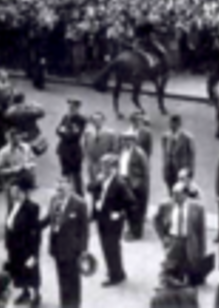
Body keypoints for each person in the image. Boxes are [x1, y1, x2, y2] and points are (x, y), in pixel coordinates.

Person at [40, 176, 89, 308]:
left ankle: (74, 304)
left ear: (70, 186)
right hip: (57, 247)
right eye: (58, 183)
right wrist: (35, 226)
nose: (59, 187)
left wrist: (83, 249)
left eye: (63, 183)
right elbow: (49, 218)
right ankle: (64, 303)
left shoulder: (79, 204)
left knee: (73, 280)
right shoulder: (54, 200)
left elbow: (84, 229)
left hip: (72, 249)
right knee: (62, 279)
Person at [90, 154, 136, 286]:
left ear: (114, 168)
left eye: (107, 166)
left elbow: (131, 201)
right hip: (101, 216)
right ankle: (115, 270)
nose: (103, 169)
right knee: (105, 246)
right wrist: (98, 181)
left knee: (112, 246)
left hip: (113, 220)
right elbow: (89, 188)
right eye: (102, 166)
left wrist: (119, 212)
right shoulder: (101, 180)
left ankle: (116, 275)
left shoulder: (119, 183)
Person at [154, 182, 208, 287]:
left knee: (191, 276)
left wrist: (202, 251)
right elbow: (156, 219)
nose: (174, 197)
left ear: (185, 195)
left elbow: (201, 231)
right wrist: (163, 237)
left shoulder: (197, 208)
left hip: (189, 242)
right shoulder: (166, 205)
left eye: (177, 194)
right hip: (173, 241)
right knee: (170, 271)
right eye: (173, 194)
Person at [4, 176, 41, 308]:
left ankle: (36, 295)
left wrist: (34, 253)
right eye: (11, 191)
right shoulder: (12, 205)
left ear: (22, 192)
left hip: (26, 247)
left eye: (15, 191)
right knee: (19, 271)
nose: (12, 194)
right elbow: (8, 223)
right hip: (14, 247)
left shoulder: (32, 208)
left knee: (31, 271)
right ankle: (25, 292)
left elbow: (35, 232)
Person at [118, 131, 150, 239]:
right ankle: (130, 230)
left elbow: (145, 171)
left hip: (135, 184)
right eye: (125, 140)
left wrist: (139, 184)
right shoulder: (123, 152)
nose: (126, 142)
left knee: (136, 209)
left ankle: (137, 233)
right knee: (127, 208)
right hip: (124, 181)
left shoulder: (139, 153)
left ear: (134, 141)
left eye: (129, 140)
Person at [55, 99, 88, 195]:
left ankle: (79, 195)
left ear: (77, 108)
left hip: (74, 152)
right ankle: (65, 193)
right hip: (63, 150)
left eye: (73, 108)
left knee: (76, 174)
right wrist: (65, 132)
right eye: (69, 107)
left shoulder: (81, 120)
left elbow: (75, 136)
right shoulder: (65, 117)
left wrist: (64, 132)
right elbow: (57, 130)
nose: (70, 109)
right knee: (65, 173)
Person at [0, 130, 37, 204]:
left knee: (27, 204)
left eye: (19, 139)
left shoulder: (26, 147)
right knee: (14, 206)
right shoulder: (4, 152)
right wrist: (13, 170)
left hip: (25, 180)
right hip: (12, 182)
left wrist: (30, 166)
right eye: (15, 140)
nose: (18, 142)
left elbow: (32, 159)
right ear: (10, 139)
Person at [162, 114, 196, 195]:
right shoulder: (165, 137)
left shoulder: (187, 138)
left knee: (180, 195)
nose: (172, 126)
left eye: (174, 124)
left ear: (179, 124)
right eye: (171, 123)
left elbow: (191, 157)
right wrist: (164, 170)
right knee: (170, 194)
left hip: (181, 173)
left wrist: (190, 174)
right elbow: (164, 154)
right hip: (169, 172)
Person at [82, 111, 118, 186]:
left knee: (104, 184)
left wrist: (109, 160)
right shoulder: (87, 133)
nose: (96, 122)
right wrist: (88, 158)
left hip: (105, 163)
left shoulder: (110, 133)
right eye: (94, 120)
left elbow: (115, 149)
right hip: (92, 162)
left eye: (98, 120)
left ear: (103, 120)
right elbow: (85, 146)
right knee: (93, 183)